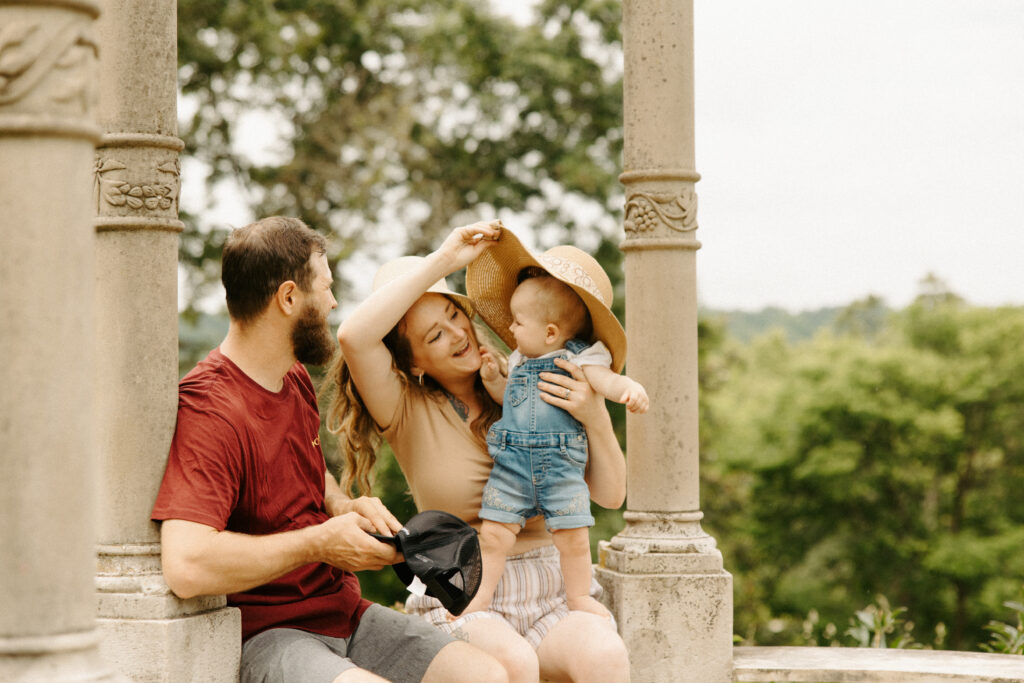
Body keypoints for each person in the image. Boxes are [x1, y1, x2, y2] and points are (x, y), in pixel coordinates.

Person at [152, 216, 507, 683]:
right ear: (288, 298)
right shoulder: (210, 408)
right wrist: (322, 541)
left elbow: (311, 475)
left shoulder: (292, 376)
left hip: (346, 613)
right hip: (272, 633)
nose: (334, 302)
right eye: (326, 288)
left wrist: (344, 505)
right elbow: (186, 564)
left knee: (486, 677)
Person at [325, 221, 631, 683]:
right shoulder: (404, 408)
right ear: (412, 363)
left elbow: (610, 496)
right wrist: (446, 260)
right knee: (512, 664)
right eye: (434, 337)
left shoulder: (526, 379)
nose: (457, 333)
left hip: (553, 588)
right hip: (466, 591)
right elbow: (353, 337)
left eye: (453, 314)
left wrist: (595, 415)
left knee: (604, 654)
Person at [459, 231, 649, 619]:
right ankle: (480, 598)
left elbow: (606, 382)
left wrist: (627, 388)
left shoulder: (581, 359)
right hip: (511, 467)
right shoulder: (519, 359)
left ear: (550, 333)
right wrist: (495, 378)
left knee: (574, 539)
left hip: (561, 468)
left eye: (516, 322)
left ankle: (578, 597)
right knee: (493, 536)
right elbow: (510, 402)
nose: (509, 329)